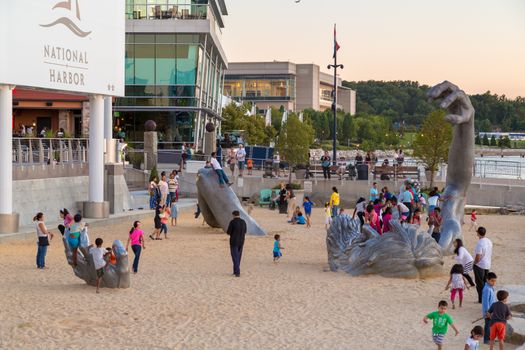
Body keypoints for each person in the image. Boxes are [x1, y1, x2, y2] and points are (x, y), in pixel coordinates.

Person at [474, 227, 493, 303]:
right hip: (487, 264)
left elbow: (478, 256)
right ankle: (487, 298)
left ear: (478, 233)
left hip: (480, 265)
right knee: (486, 282)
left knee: (479, 283)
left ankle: (481, 299)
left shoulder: (480, 243)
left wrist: (474, 263)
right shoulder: (489, 241)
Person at [227, 211, 246, 277]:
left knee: (235, 257)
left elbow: (228, 232)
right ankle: (235, 271)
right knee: (238, 257)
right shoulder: (243, 222)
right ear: (239, 215)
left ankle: (237, 272)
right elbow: (245, 231)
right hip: (241, 241)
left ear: (233, 215)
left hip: (234, 241)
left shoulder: (232, 222)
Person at [482, 272, 498, 345]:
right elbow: (485, 302)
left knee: (492, 325)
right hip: (488, 312)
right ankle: (486, 340)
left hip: (492, 311)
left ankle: (491, 338)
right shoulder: (487, 289)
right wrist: (487, 312)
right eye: (492, 281)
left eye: (495, 281)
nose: (494, 282)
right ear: (487, 280)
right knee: (488, 326)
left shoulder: (490, 288)